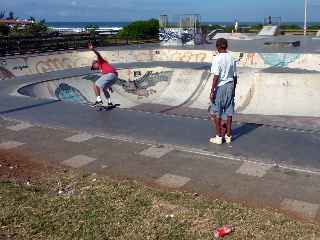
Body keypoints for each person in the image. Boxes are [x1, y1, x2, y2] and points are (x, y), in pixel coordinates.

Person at [209, 38, 237, 145]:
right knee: (229, 112)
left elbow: (216, 76)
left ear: (217, 47)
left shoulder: (217, 58)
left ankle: (218, 137)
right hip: (230, 85)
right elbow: (235, 76)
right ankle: (228, 136)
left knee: (217, 112)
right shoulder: (232, 58)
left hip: (221, 87)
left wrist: (212, 91)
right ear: (226, 47)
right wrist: (233, 89)